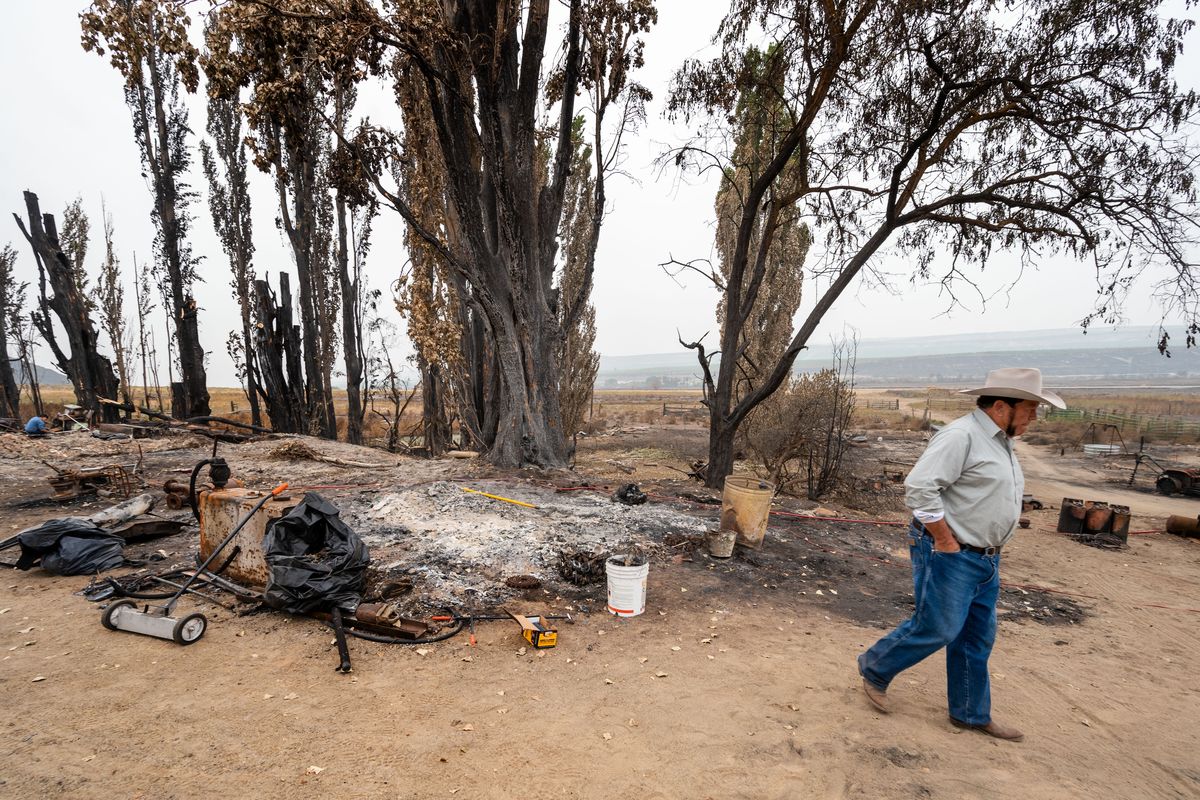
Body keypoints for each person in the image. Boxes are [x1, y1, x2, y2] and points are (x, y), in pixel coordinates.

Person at [856, 367, 1065, 742]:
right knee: (938, 625)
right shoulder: (961, 435)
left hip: (986, 557)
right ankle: (875, 668)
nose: (1035, 415)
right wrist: (946, 541)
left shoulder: (1002, 440)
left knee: (976, 636)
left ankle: (970, 713)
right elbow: (920, 489)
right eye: (1031, 407)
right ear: (1002, 406)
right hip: (952, 551)